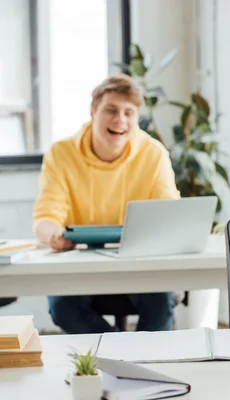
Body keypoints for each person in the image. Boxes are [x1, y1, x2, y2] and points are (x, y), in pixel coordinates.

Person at [33, 73, 180, 334]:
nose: (120, 120)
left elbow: (169, 214)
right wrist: (52, 235)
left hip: (139, 265)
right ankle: (119, 356)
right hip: (81, 267)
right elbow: (46, 215)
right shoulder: (61, 153)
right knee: (63, 307)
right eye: (111, 110)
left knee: (161, 303)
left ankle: (147, 362)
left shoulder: (154, 154)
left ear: (136, 118)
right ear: (93, 112)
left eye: (128, 113)